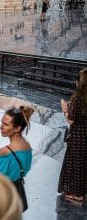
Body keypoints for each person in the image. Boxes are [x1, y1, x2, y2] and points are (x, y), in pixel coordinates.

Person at [0, 106, 34, 211]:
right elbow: (25, 170)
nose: (0, 127)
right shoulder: (27, 146)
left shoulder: (5, 152)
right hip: (17, 193)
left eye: (6, 124)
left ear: (17, 128)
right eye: (2, 122)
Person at [58, 69, 87, 206]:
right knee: (83, 163)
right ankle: (81, 194)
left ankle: (74, 195)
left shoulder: (78, 97)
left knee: (74, 163)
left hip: (77, 136)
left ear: (78, 83)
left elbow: (71, 120)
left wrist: (65, 110)